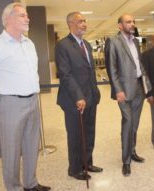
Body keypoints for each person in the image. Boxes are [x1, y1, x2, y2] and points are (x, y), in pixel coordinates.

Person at [0, 3, 50, 191]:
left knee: (31, 146)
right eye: (22, 15)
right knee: (11, 151)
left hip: (32, 101)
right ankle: (14, 188)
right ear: (8, 19)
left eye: (27, 15)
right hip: (9, 103)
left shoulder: (30, 44)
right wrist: (1, 101)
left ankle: (31, 183)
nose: (27, 18)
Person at [55, 12, 102, 181]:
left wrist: (95, 92)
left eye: (85, 21)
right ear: (71, 24)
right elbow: (66, 74)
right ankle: (74, 169)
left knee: (89, 132)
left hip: (90, 98)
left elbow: (90, 72)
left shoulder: (87, 45)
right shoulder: (63, 45)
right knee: (76, 135)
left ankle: (87, 163)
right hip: (74, 100)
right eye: (80, 21)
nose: (84, 23)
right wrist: (78, 96)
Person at [105, 14, 151, 176]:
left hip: (138, 88)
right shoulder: (113, 41)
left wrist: (147, 88)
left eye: (133, 21)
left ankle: (132, 151)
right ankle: (126, 161)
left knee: (135, 123)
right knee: (128, 122)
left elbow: (139, 65)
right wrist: (118, 90)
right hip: (124, 91)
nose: (132, 24)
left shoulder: (136, 41)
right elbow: (111, 68)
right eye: (128, 22)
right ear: (120, 25)